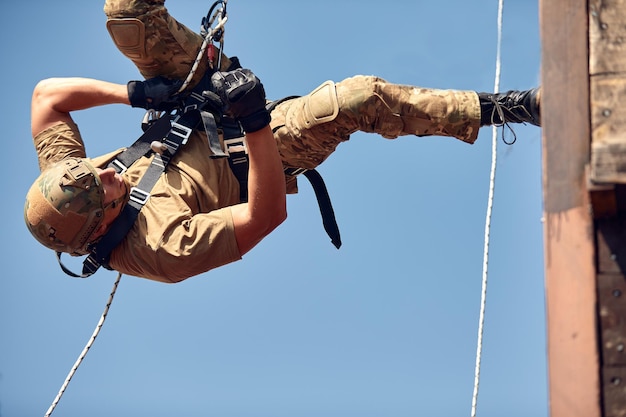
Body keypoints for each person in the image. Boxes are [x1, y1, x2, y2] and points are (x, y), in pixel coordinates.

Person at [24, 0, 541, 283]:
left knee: (126, 13)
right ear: (99, 226)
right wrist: (252, 119)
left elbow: (48, 97)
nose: (109, 171)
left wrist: (139, 93)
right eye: (108, 186)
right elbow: (264, 216)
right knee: (357, 99)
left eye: (98, 169)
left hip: (190, 100)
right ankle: (515, 108)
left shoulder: (67, 186)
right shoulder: (160, 250)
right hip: (253, 152)